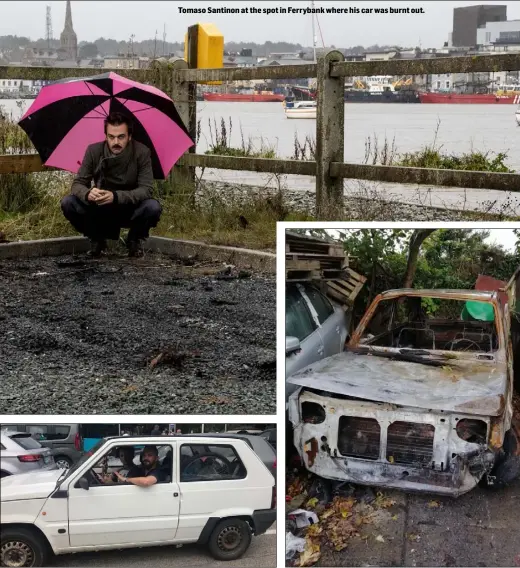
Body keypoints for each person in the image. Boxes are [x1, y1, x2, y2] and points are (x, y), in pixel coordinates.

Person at [60, 112, 162, 258]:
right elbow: (77, 184)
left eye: (121, 137)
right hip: (100, 207)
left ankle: (134, 240)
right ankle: (96, 239)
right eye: (111, 137)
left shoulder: (142, 152)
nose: (116, 142)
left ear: (129, 136)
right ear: (106, 136)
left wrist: (115, 196)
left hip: (128, 208)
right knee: (68, 203)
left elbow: (146, 190)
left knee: (152, 207)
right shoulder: (93, 151)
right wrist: (89, 194)